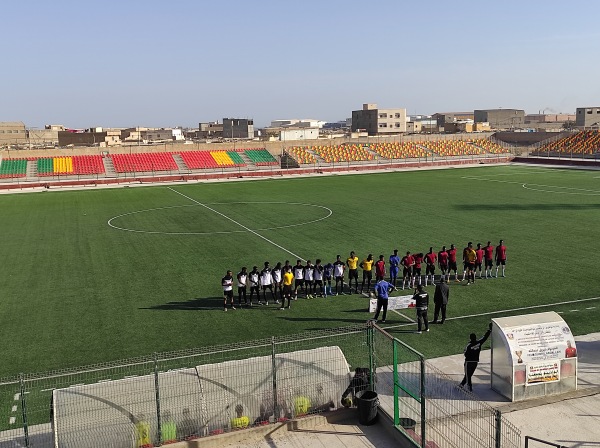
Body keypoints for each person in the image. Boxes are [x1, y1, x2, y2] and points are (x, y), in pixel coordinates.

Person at [460, 323, 492, 391]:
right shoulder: (479, 343)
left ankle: (469, 388)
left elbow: (465, 354)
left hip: (468, 362)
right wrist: (489, 330)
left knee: (468, 375)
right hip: (475, 362)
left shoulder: (468, 346)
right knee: (469, 375)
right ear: (475, 338)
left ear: (470, 338)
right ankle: (461, 385)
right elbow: (485, 338)